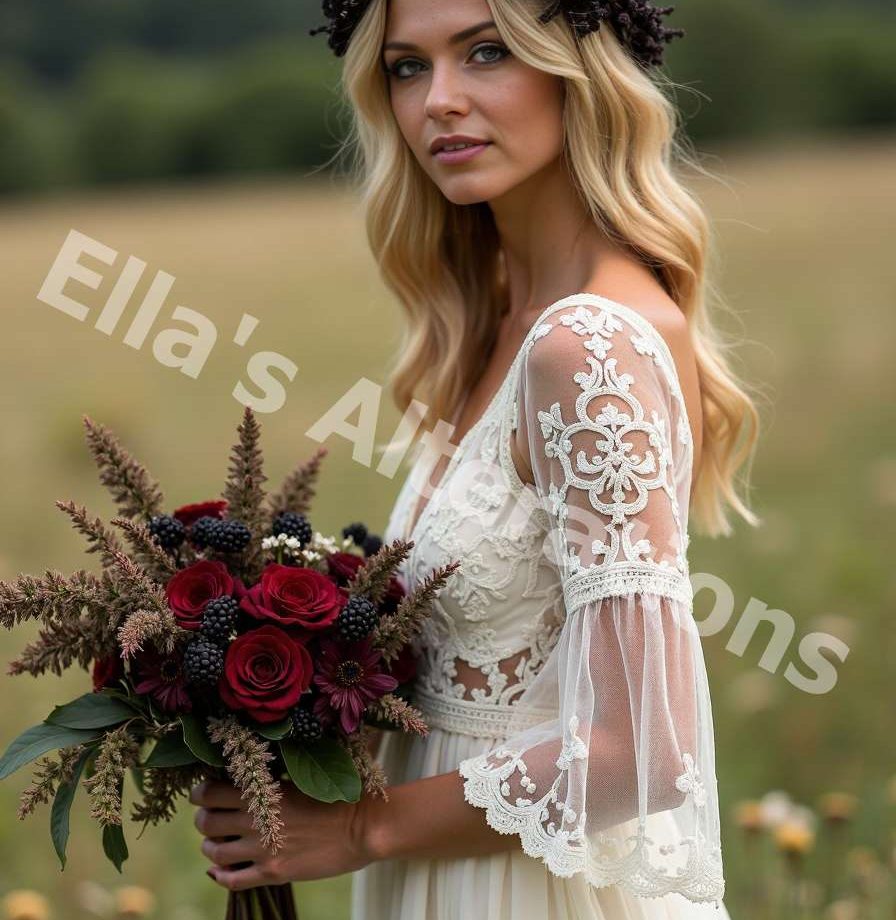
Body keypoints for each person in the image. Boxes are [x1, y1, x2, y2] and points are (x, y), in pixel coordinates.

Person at [190, 0, 762, 916]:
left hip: (541, 887)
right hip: (444, 872)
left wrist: (361, 828)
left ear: (580, 70)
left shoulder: (585, 347)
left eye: (485, 53)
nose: (437, 101)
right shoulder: (491, 326)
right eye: (408, 67)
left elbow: (645, 748)